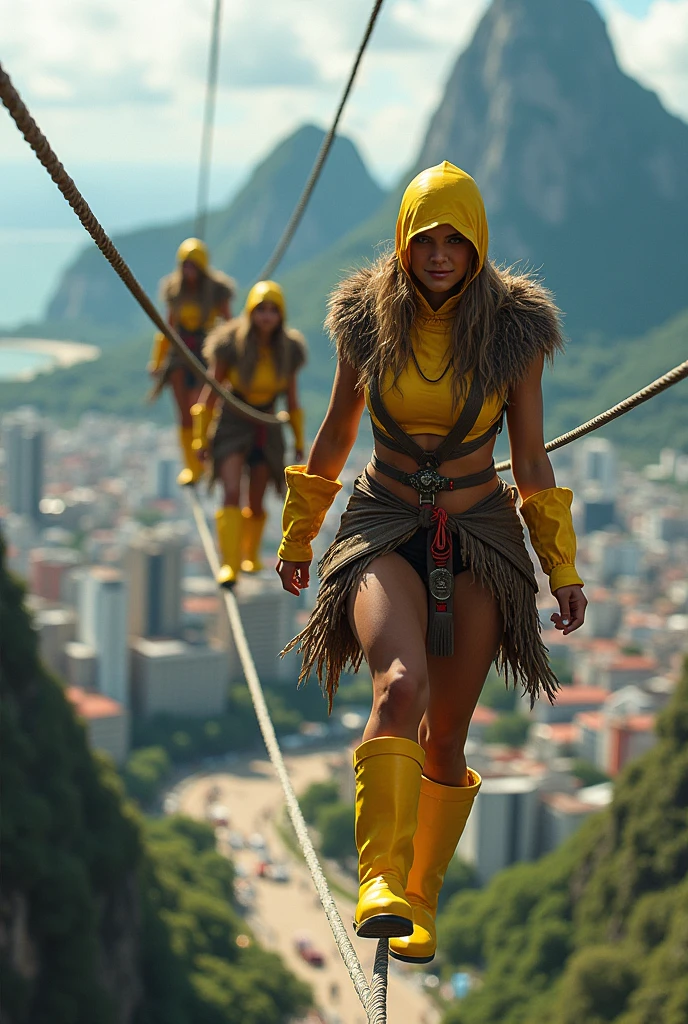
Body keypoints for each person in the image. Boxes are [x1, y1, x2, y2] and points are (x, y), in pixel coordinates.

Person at [275, 162, 587, 963]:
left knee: (446, 737)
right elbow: (338, 435)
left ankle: (420, 899)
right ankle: (377, 880)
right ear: (404, 243)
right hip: (384, 522)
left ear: (477, 243)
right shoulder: (366, 322)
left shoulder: (515, 334)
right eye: (426, 239)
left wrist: (562, 570)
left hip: (479, 529)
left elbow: (531, 457)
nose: (440, 254)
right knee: (400, 687)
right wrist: (299, 533)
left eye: (455, 239)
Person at [193, 280, 307, 587]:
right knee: (231, 491)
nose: (267, 317)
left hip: (267, 423)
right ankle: (229, 564)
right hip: (233, 420)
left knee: (256, 499)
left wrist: (298, 441)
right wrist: (200, 438)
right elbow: (212, 392)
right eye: (261, 310)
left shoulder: (290, 350)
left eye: (273, 311)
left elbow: (293, 401)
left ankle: (249, 555)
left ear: (281, 314)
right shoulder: (230, 344)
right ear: (251, 312)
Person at [149, 237, 235, 486]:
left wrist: (232, 358)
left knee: (202, 409)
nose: (188, 271)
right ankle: (192, 467)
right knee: (184, 415)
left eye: (192, 266)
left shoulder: (218, 291)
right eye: (184, 266)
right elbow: (168, 328)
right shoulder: (175, 291)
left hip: (206, 354)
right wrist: (157, 361)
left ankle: (205, 461)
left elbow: (229, 325)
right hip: (180, 355)